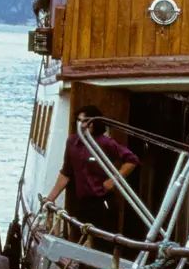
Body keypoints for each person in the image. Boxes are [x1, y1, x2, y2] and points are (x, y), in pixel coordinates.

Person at [45, 105, 140, 257]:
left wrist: (114, 180)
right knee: (79, 238)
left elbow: (132, 160)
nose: (83, 125)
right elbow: (66, 173)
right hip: (82, 202)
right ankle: (79, 267)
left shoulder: (105, 143)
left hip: (102, 203)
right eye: (80, 121)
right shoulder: (72, 142)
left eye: (87, 121)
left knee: (104, 244)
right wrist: (50, 199)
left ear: (95, 122)